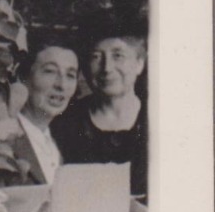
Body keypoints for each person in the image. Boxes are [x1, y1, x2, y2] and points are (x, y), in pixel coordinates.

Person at [53, 16, 148, 199]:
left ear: (139, 63)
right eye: (96, 57)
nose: (107, 68)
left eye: (118, 56)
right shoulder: (64, 123)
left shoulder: (160, 119)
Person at [5, 40, 82, 185]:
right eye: (50, 71)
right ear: (23, 76)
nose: (62, 85)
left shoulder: (62, 143)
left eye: (70, 75)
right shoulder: (2, 138)